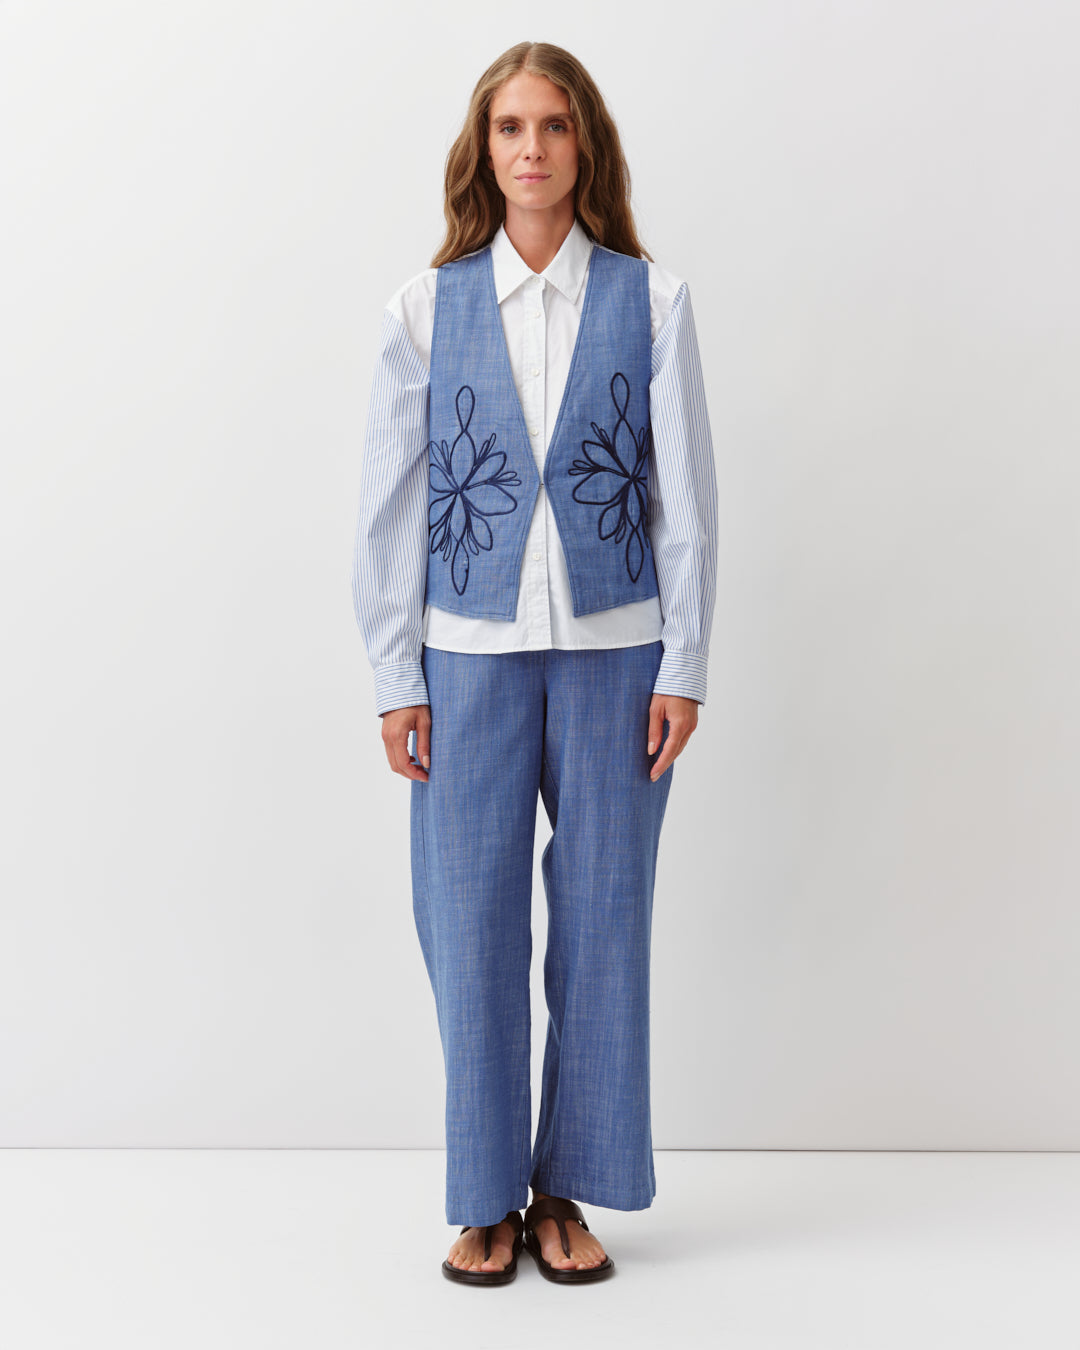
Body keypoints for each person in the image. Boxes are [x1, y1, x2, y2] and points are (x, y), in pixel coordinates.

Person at [352, 40, 717, 1285]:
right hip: (467, 658)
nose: (532, 149)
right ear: (484, 149)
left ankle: (565, 1190)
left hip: (620, 655)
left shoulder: (652, 300)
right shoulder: (425, 307)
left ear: (584, 145)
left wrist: (685, 664)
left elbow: (686, 501)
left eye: (554, 126)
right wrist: (397, 677)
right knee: (469, 924)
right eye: (511, 127)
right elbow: (388, 509)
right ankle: (483, 1197)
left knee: (606, 920)